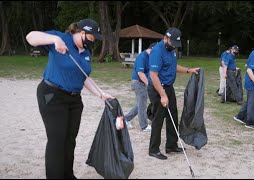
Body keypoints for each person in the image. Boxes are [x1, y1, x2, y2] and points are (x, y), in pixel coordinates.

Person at [26, 18, 114, 179]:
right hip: (52, 95)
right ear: (82, 33)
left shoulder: (86, 53)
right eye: (91, 38)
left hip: (74, 100)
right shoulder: (61, 39)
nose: (92, 42)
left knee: (69, 140)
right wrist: (54, 39)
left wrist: (101, 94)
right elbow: (30, 37)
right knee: (57, 140)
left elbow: (83, 76)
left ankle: (68, 175)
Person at [147, 27, 199, 160]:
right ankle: (153, 149)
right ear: (166, 38)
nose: (174, 47)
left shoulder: (171, 50)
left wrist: (188, 70)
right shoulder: (157, 51)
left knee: (173, 116)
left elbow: (173, 66)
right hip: (158, 88)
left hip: (169, 87)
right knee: (158, 119)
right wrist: (163, 95)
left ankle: (171, 145)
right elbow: (153, 75)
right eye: (173, 44)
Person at [124, 42, 157, 132]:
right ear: (152, 49)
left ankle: (125, 119)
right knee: (142, 105)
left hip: (143, 83)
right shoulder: (142, 57)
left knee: (140, 104)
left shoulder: (150, 57)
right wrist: (149, 84)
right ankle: (144, 126)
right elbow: (140, 73)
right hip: (138, 83)